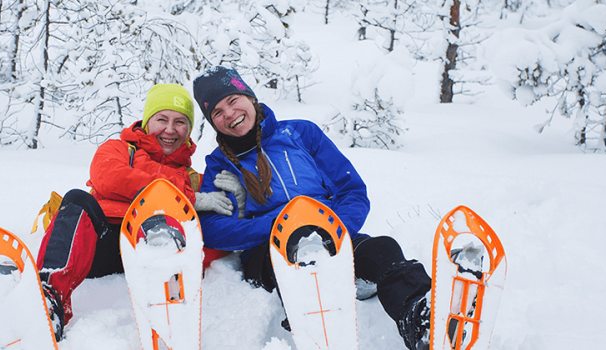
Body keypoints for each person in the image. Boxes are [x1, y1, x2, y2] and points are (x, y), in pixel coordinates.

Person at [192, 66, 433, 350]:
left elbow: (351, 191)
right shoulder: (220, 163)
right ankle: (317, 333)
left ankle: (423, 320)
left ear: (250, 97)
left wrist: (331, 230)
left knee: (383, 250)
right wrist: (281, 227)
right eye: (217, 112)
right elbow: (211, 228)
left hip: (331, 235)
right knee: (302, 268)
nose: (229, 114)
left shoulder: (300, 133)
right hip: (270, 252)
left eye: (232, 101)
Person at [35, 83, 232, 340]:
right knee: (76, 199)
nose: (170, 130)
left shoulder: (193, 179)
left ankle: (170, 319)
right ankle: (48, 299)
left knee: (170, 226)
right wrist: (185, 197)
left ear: (189, 130)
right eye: (162, 119)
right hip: (102, 243)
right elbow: (109, 177)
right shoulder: (119, 150)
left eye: (180, 122)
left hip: (151, 253)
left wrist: (236, 193)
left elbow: (216, 225)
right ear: (147, 121)